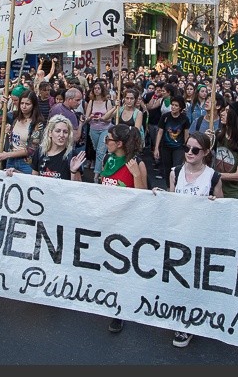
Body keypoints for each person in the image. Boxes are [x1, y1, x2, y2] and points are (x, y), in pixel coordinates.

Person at [152, 130, 221, 348]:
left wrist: (214, 202)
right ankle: (176, 314)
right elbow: (172, 199)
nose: (190, 153)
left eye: (195, 150)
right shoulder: (176, 172)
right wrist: (160, 196)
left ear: (206, 152)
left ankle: (187, 324)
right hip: (178, 233)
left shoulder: (213, 176)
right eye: (187, 148)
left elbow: (222, 208)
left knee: (193, 281)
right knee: (177, 278)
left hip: (200, 236)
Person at [99, 123, 147, 333]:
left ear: (119, 143)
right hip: (107, 220)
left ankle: (119, 311)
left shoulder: (135, 163)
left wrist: (136, 175)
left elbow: (144, 196)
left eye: (108, 139)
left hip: (127, 224)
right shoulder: (107, 158)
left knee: (121, 268)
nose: (105, 143)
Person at [13, 114, 86, 181]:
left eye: (65, 132)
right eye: (58, 131)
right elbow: (33, 180)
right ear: (50, 133)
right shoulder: (40, 152)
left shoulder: (72, 156)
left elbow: (77, 189)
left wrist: (73, 171)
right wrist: (16, 174)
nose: (61, 135)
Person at [212, 100, 238, 199]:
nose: (221, 113)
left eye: (227, 111)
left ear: (234, 117)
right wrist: (206, 141)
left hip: (235, 192)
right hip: (217, 188)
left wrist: (213, 175)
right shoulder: (218, 134)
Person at [0, 90, 45, 174]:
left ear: (34, 105)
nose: (24, 107)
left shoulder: (37, 124)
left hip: (26, 164)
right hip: (10, 161)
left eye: (27, 104)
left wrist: (7, 155)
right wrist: (1, 104)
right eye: (22, 103)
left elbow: (31, 150)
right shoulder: (14, 117)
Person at [154, 95, 191, 187]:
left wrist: (187, 149)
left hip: (179, 148)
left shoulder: (184, 119)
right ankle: (168, 187)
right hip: (165, 147)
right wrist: (156, 148)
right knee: (167, 169)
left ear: (180, 108)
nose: (173, 107)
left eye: (176, 105)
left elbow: (186, 135)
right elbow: (160, 132)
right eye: (172, 105)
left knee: (176, 168)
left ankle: (176, 186)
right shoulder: (165, 117)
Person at [84, 81, 115, 181]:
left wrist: (102, 119)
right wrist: (91, 117)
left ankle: (96, 175)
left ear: (102, 90)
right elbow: (86, 118)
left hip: (105, 129)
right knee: (98, 150)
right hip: (93, 129)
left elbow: (110, 119)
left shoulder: (107, 102)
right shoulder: (91, 102)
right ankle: (102, 168)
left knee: (100, 151)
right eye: (95, 88)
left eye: (98, 88)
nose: (97, 90)